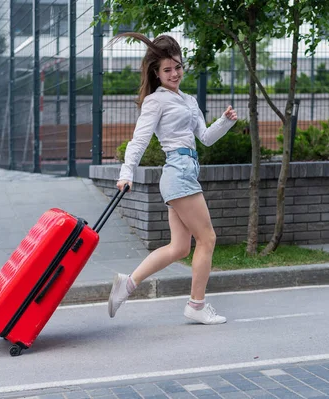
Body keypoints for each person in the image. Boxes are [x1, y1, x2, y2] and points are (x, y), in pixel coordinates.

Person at [106, 32, 238, 325]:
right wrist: (126, 173)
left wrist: (225, 122)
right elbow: (139, 141)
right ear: (157, 72)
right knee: (208, 239)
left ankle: (127, 284)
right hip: (177, 172)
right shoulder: (155, 101)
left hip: (187, 170)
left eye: (177, 66)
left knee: (180, 248)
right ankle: (196, 305)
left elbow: (204, 138)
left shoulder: (189, 100)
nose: (174, 73)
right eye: (167, 70)